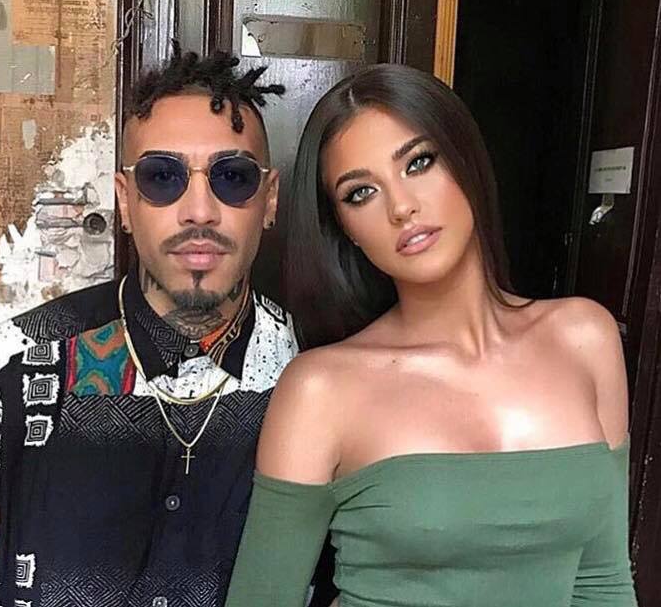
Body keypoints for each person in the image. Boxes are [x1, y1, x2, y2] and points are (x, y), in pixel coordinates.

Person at [0, 45, 335, 607]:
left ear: (270, 199)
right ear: (126, 203)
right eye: (162, 177)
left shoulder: (322, 380)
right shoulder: (4, 373)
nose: (200, 210)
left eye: (233, 177)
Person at [225, 64, 638, 607]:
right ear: (345, 230)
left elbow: (604, 583)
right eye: (361, 193)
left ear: (465, 159)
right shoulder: (320, 390)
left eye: (418, 163)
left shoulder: (586, 338)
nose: (402, 207)